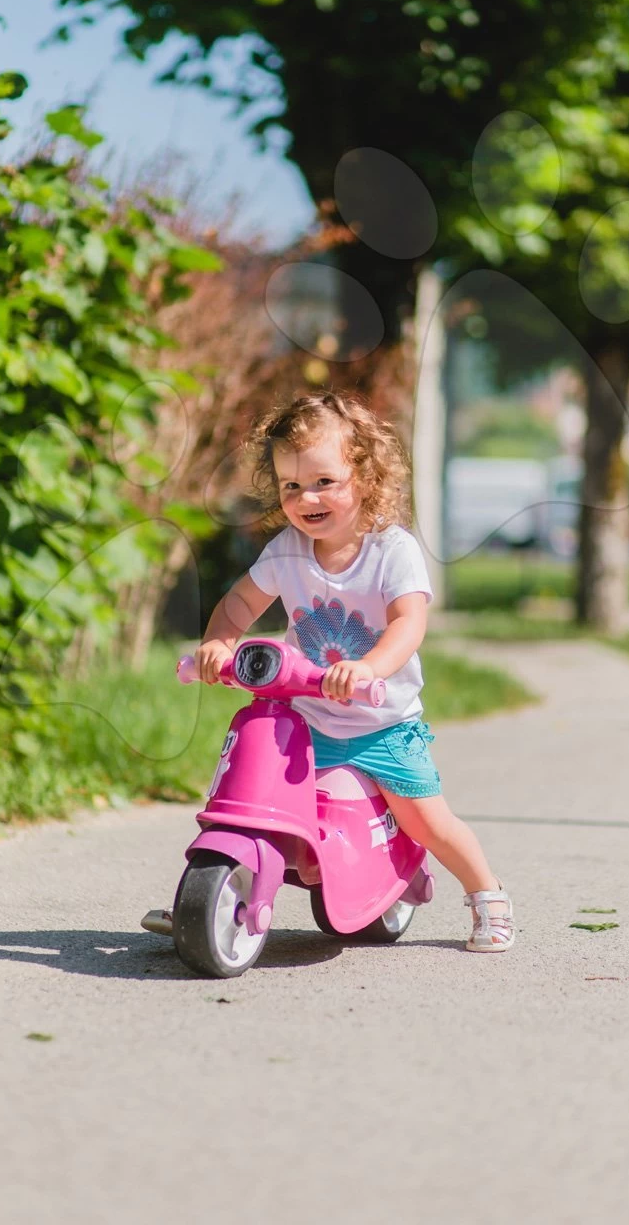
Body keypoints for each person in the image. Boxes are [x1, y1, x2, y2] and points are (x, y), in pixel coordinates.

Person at [142, 390, 514, 952]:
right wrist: (219, 643)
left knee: (426, 821)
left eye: (323, 482)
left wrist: (368, 667)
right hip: (306, 721)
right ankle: (216, 896)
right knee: (253, 799)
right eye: (291, 486)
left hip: (381, 725)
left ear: (364, 476)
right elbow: (238, 605)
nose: (305, 498)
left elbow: (408, 623)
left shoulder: (392, 550)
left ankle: (488, 896)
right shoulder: (288, 551)